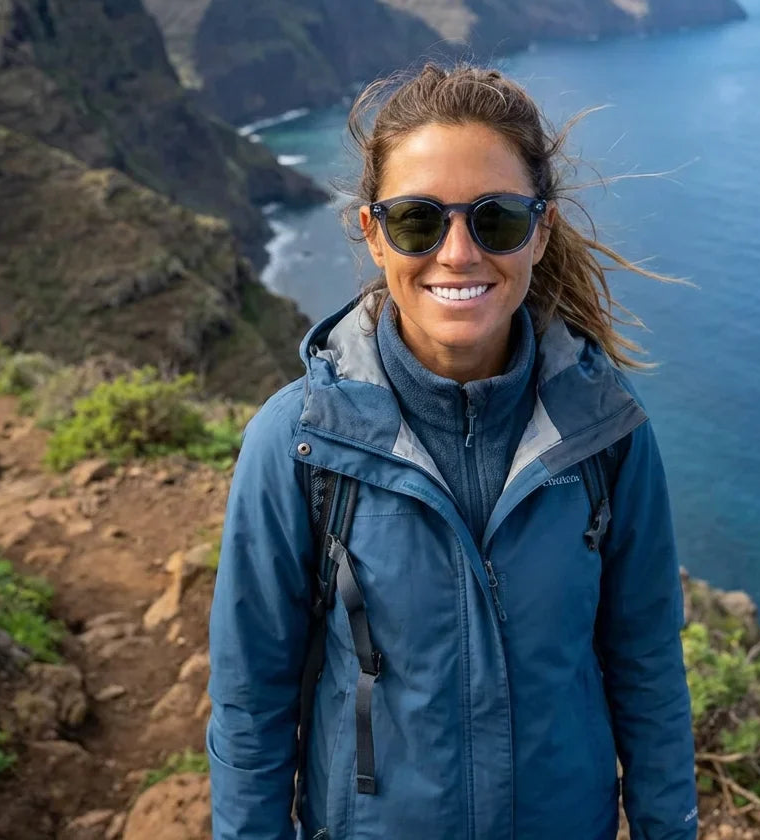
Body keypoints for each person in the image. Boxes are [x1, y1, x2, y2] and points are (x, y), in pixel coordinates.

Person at [206, 63, 698, 840]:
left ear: (540, 228)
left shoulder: (607, 436)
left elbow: (647, 673)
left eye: (495, 219)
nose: (459, 252)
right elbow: (249, 702)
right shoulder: (299, 444)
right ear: (372, 234)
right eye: (417, 220)